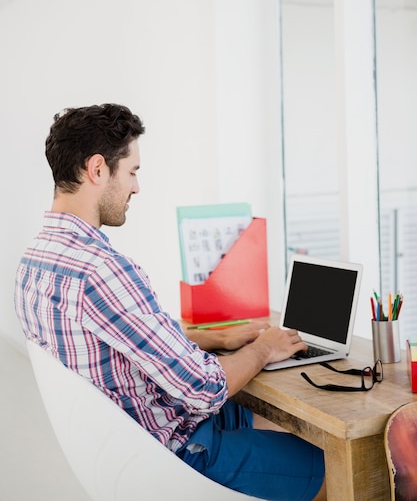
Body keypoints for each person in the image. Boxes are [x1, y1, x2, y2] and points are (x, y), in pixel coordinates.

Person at [15, 103, 326, 501]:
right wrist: (265, 346)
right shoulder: (101, 270)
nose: (136, 187)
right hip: (178, 454)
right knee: (338, 467)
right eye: (132, 172)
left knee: (281, 425)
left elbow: (122, 337)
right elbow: (204, 388)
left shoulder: (36, 263)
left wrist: (213, 338)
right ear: (97, 170)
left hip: (124, 452)